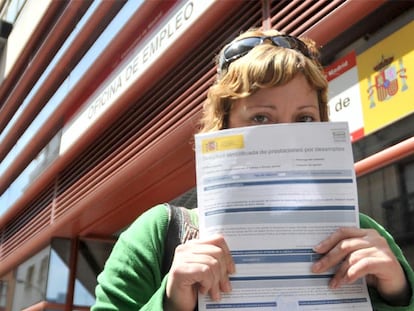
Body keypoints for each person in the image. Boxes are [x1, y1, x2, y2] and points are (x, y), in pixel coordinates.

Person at [92, 29, 414, 311]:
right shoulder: (157, 235)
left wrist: (397, 294)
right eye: (261, 117)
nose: (286, 138)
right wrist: (171, 303)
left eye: (304, 118)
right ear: (223, 126)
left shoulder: (361, 232)